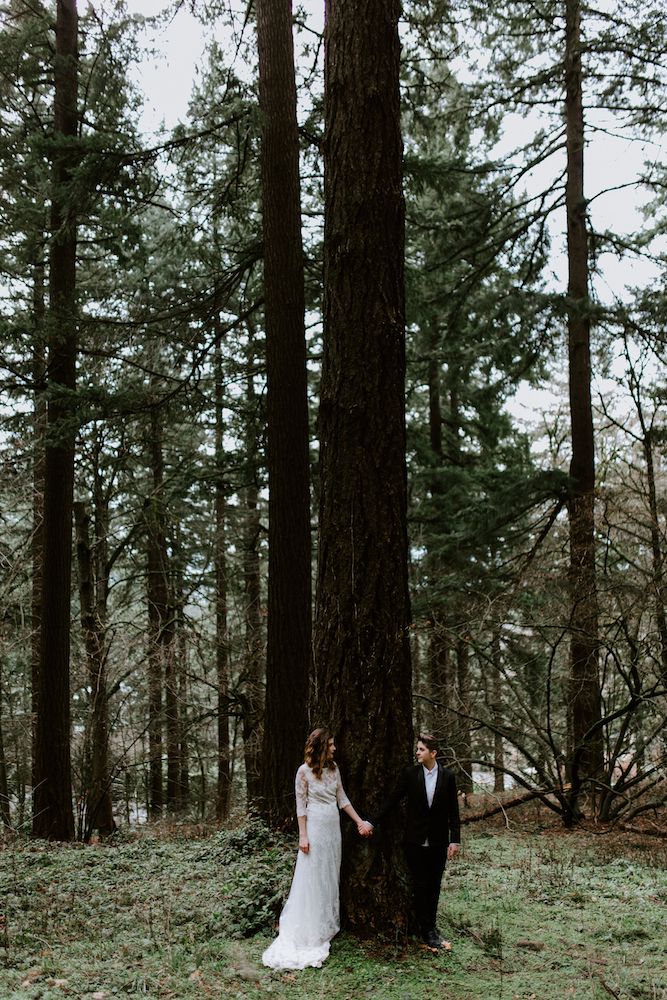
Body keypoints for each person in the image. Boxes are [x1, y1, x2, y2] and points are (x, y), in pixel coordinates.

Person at [262, 727, 372, 970]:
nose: (335, 748)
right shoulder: (303, 772)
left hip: (333, 830)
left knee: (329, 875)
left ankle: (326, 924)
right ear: (322, 746)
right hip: (314, 829)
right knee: (313, 876)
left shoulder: (334, 770)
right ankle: (310, 927)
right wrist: (303, 836)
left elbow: (342, 800)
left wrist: (359, 822)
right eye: (331, 744)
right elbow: (300, 807)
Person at [369, 733, 460, 951]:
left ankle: (431, 926)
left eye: (421, 749)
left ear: (433, 753)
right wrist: (372, 821)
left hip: (438, 842)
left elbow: (453, 812)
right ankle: (425, 930)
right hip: (415, 841)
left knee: (434, 886)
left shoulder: (448, 777)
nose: (417, 752)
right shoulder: (410, 774)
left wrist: (454, 840)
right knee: (420, 885)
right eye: (417, 749)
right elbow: (392, 800)